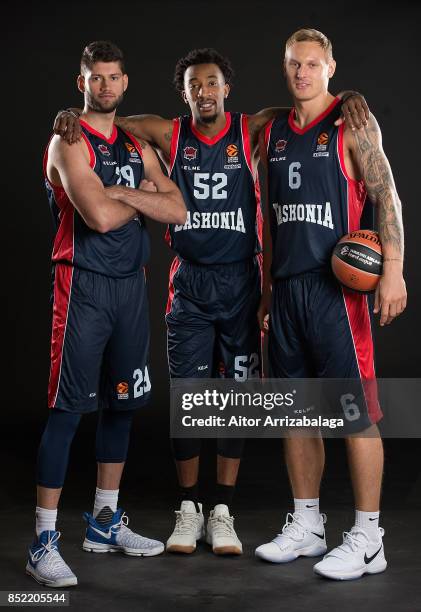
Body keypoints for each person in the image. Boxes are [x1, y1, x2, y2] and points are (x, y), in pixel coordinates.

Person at [54, 48, 368, 557]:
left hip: (241, 281)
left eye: (213, 83)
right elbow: (109, 118)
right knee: (190, 396)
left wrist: (351, 96)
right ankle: (188, 508)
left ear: (227, 88)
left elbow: (311, 109)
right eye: (194, 85)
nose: (204, 92)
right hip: (191, 284)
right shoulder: (166, 133)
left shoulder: (253, 129)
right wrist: (73, 114)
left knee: (235, 399)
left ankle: (221, 509)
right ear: (185, 94)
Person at [27, 41, 186, 588]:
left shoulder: (133, 142)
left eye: (115, 77)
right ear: (83, 83)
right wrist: (137, 196)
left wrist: (125, 192)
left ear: (124, 82)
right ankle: (43, 540)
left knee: (122, 406)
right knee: (68, 410)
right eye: (97, 78)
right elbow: (94, 216)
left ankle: (103, 522)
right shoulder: (67, 141)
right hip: (83, 288)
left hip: (128, 289)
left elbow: (178, 208)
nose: (107, 86)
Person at [255, 28, 406, 580]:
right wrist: (268, 292)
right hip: (289, 290)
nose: (302, 73)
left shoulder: (352, 124)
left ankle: (369, 537)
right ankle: (308, 525)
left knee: (355, 413)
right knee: (297, 412)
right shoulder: (270, 131)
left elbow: (386, 192)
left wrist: (393, 271)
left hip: (338, 295)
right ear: (285, 65)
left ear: (331, 67)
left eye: (312, 64)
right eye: (294, 64)